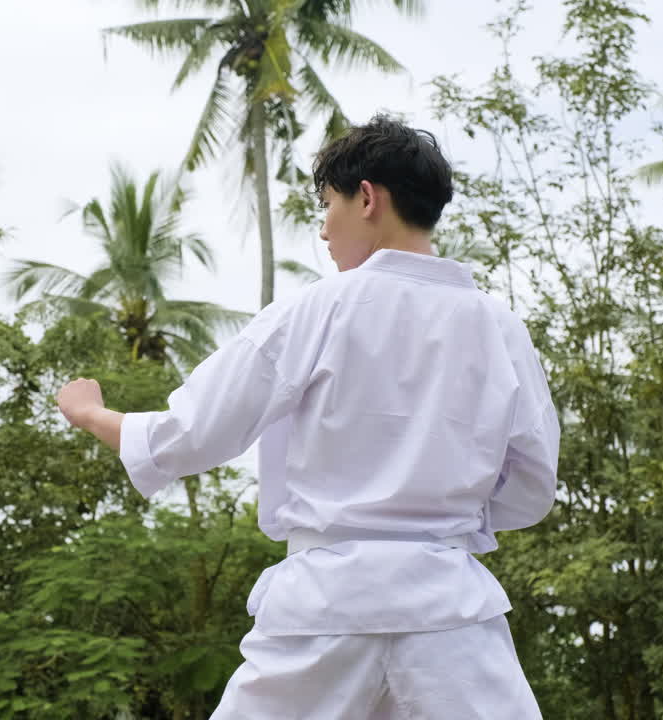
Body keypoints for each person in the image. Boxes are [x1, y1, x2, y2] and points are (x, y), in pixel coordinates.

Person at [56, 115, 558, 719]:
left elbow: (188, 436)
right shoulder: (499, 326)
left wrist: (90, 413)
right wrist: (435, 523)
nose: (323, 230)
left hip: (324, 613)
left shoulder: (318, 309)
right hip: (453, 617)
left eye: (327, 205)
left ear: (366, 197)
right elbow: (531, 486)